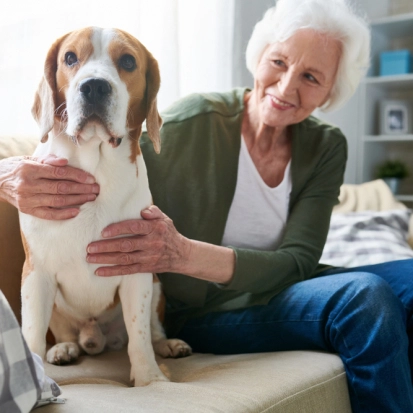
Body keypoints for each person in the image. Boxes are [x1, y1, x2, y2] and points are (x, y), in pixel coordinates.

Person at [1, 0, 413, 411]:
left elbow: (300, 260)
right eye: (278, 62)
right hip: (207, 308)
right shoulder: (190, 125)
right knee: (367, 298)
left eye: (311, 76)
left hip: (287, 287)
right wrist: (7, 173)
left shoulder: (326, 146)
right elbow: (104, 144)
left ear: (332, 90)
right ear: (259, 57)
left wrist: (183, 253)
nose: (287, 87)